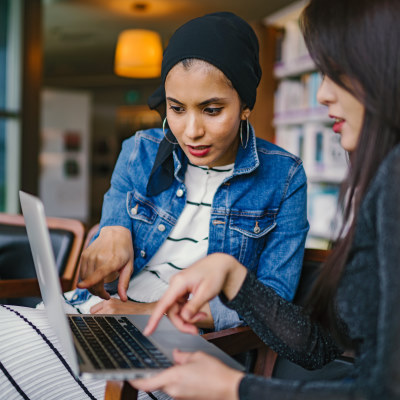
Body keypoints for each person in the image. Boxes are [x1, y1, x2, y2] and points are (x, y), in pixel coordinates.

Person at [0, 12, 309, 400]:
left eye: (211, 110)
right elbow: (114, 215)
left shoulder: (284, 177)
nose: (190, 131)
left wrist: (149, 313)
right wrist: (112, 227)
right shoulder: (140, 150)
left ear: (246, 104)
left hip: (182, 344)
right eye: (176, 109)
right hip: (97, 315)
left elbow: (272, 302)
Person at [131, 0, 400, 399]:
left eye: (337, 73)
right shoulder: (383, 179)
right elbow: (318, 350)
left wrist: (233, 388)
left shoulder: (382, 178)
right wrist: (232, 275)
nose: (324, 94)